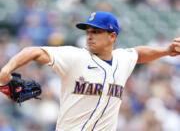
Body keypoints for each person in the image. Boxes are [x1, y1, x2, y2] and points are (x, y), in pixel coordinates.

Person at [0, 11, 180, 131]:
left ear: (112, 36)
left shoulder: (122, 59)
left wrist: (166, 50)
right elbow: (33, 51)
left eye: (96, 31)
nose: (89, 36)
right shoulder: (75, 57)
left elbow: (138, 53)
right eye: (88, 31)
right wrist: (7, 69)